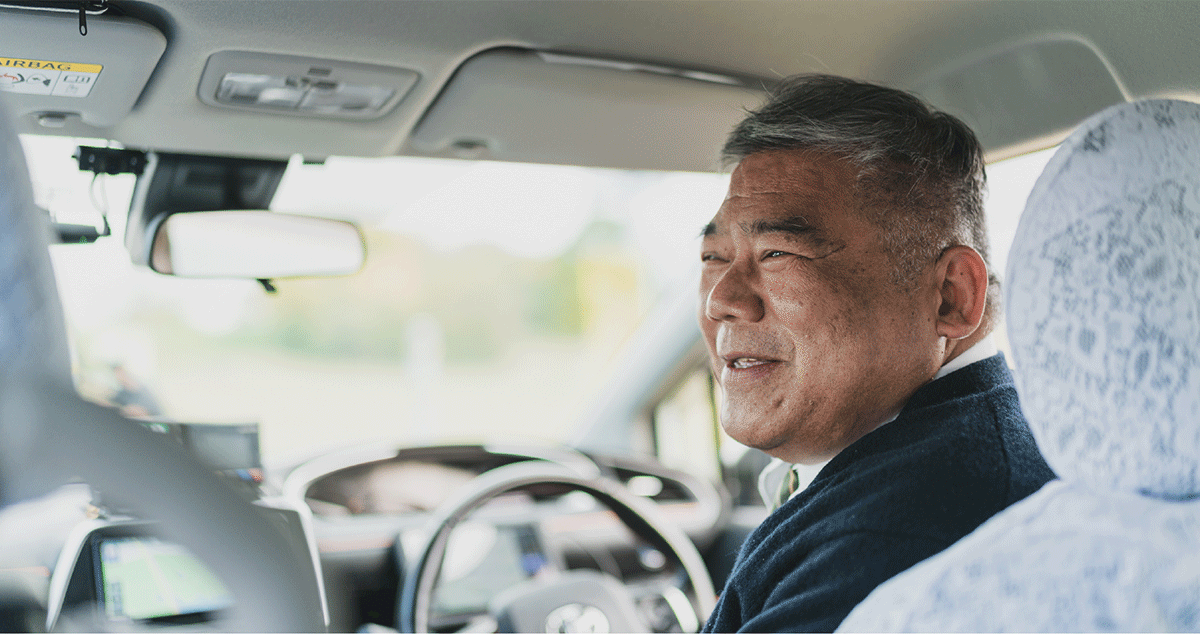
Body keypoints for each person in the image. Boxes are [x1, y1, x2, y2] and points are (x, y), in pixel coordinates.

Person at [698, 74, 1056, 632]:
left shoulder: (895, 535)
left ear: (951, 296)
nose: (722, 300)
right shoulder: (974, 441)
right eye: (714, 258)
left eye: (777, 253)